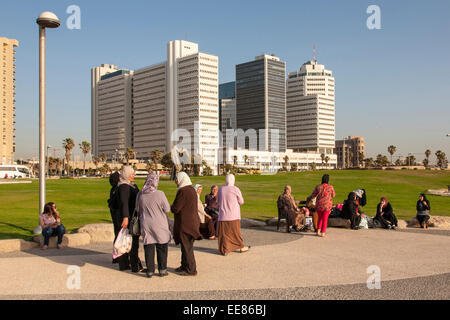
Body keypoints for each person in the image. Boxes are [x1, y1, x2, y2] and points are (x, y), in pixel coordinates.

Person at [137, 172, 171, 278]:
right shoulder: (159, 194)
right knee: (161, 245)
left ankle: (150, 270)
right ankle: (162, 269)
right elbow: (167, 209)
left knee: (149, 246)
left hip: (146, 223)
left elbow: (137, 209)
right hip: (159, 223)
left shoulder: (141, 194)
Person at [171, 172, 202, 276]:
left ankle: (191, 269)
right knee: (186, 246)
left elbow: (176, 208)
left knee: (187, 247)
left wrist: (171, 206)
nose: (176, 181)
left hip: (185, 223)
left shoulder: (183, 191)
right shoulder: (191, 190)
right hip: (193, 222)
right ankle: (184, 266)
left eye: (176, 179)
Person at [117, 166, 143, 272]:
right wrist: (125, 217)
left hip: (130, 216)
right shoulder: (124, 186)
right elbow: (124, 203)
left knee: (127, 240)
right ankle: (134, 265)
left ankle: (126, 264)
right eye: (131, 174)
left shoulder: (128, 185)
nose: (133, 175)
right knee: (131, 241)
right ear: (126, 175)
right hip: (129, 218)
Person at [217, 174, 250, 255]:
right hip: (233, 215)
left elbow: (217, 202)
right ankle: (240, 246)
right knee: (235, 233)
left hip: (223, 216)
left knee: (224, 235)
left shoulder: (221, 189)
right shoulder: (235, 189)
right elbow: (241, 202)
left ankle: (225, 249)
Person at [108, 171, 121, 263]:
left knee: (117, 235)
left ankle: (115, 257)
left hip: (114, 214)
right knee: (120, 236)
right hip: (118, 215)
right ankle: (119, 257)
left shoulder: (113, 189)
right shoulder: (118, 189)